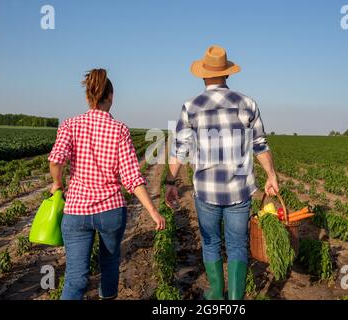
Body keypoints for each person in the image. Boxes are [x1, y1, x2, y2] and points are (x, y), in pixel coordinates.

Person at [166, 46, 279, 300]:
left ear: (203, 75)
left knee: (211, 243)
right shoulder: (247, 104)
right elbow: (260, 144)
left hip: (206, 190)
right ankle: (236, 299)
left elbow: (179, 149)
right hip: (240, 188)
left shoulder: (191, 107)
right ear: (227, 74)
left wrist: (170, 182)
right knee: (238, 244)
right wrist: (271, 175)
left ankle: (217, 293)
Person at [48, 69, 165, 300]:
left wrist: (57, 184)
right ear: (110, 97)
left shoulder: (70, 125)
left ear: (87, 97)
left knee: (75, 277)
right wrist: (152, 211)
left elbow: (55, 160)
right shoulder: (119, 130)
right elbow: (132, 177)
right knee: (110, 265)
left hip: (76, 211)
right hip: (111, 211)